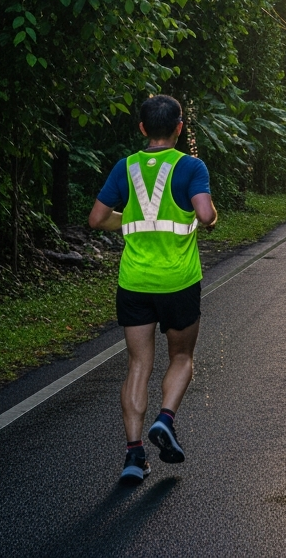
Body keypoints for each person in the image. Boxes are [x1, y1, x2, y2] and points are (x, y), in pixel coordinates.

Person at [88, 94, 217, 485]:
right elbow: (206, 215)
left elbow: (96, 219)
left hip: (134, 283)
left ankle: (133, 456)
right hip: (178, 283)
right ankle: (165, 420)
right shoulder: (191, 166)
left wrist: (126, 220)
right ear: (179, 127)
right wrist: (210, 217)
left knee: (138, 366)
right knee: (181, 357)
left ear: (142, 128)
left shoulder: (125, 167)